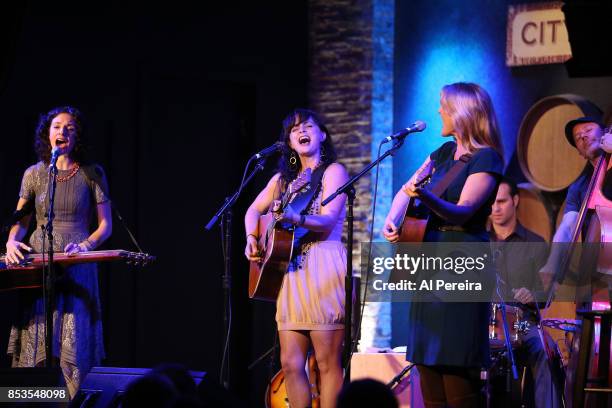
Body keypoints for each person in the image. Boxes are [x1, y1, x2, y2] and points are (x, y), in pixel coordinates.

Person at [383, 82, 504, 407]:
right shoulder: (441, 155)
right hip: (428, 265)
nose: (438, 111)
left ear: (463, 112)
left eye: (444, 105)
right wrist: (394, 220)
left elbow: (464, 212)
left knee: (456, 370)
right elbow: (406, 191)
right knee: (427, 366)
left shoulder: (486, 158)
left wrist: (425, 195)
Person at [244, 109, 348, 408]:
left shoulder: (333, 172)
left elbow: (327, 220)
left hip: (322, 266)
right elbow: (253, 210)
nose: (302, 131)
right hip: (289, 270)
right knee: (290, 363)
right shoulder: (282, 181)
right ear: (289, 141)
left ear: (322, 135)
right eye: (294, 129)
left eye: (309, 126)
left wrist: (293, 215)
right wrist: (252, 237)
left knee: (326, 362)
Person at [5, 106, 112, 396]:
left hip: (76, 264)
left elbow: (106, 226)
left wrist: (87, 246)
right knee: (38, 333)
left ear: (77, 137)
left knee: (71, 340)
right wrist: (11, 241)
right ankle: (35, 400)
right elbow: (21, 222)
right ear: (47, 133)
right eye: (56, 126)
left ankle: (70, 401)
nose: (62, 132)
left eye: (69, 128)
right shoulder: (33, 174)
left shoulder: (92, 173)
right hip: (39, 266)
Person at [489, 177, 560, 408]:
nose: (496, 208)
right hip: (486, 322)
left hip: (522, 323)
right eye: (492, 202)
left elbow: (547, 294)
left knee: (543, 349)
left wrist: (533, 294)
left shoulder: (535, 243)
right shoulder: (478, 242)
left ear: (515, 201)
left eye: (501, 201)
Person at [540, 117, 612, 295]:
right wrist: (552, 263)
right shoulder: (579, 187)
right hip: (596, 269)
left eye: (588, 130)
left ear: (605, 133)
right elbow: (568, 227)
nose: (583, 137)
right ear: (580, 152)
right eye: (577, 137)